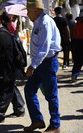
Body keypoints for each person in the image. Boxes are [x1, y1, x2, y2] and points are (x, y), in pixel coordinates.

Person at [24, 0, 61, 133]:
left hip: (47, 63)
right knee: (29, 90)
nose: (27, 14)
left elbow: (44, 48)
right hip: (40, 63)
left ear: (35, 10)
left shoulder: (45, 22)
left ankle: (55, 125)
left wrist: (32, 66)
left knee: (51, 95)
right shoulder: (38, 22)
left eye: (28, 11)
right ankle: (37, 121)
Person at [71, 10, 83, 82]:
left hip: (77, 43)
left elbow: (74, 33)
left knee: (78, 61)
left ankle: (74, 75)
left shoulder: (77, 24)